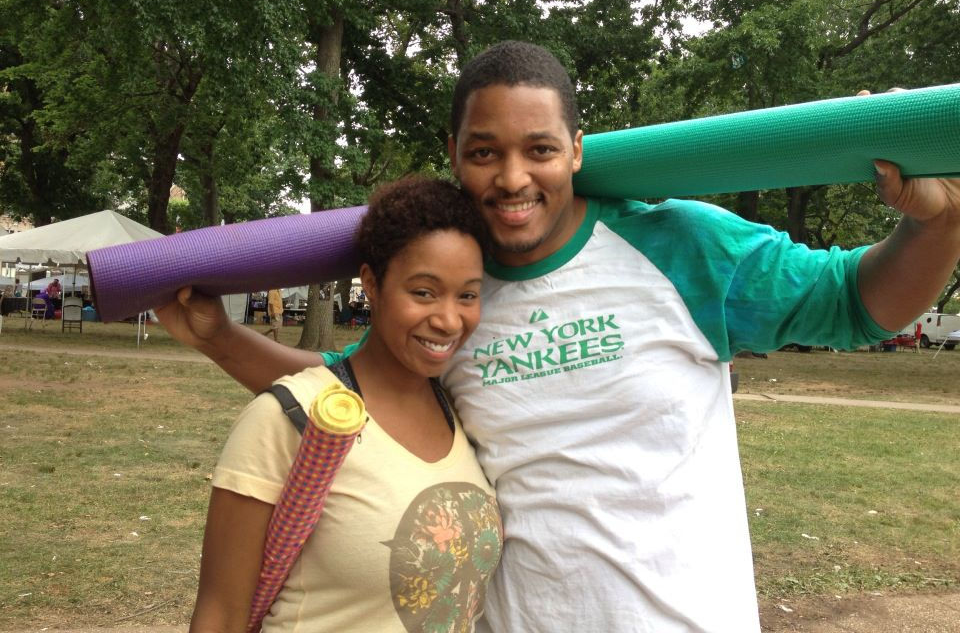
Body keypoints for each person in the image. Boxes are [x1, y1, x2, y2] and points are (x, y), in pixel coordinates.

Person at [158, 42, 960, 633]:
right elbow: (353, 400)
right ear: (456, 160)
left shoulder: (682, 245)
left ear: (576, 149)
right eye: (485, 153)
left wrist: (939, 221)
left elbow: (858, 302)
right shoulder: (458, 293)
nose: (512, 179)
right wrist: (220, 338)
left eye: (540, 149)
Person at [187, 178, 501, 633]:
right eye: (424, 292)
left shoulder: (460, 411)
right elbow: (221, 616)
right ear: (370, 284)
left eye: (467, 295)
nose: (449, 319)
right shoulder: (286, 418)